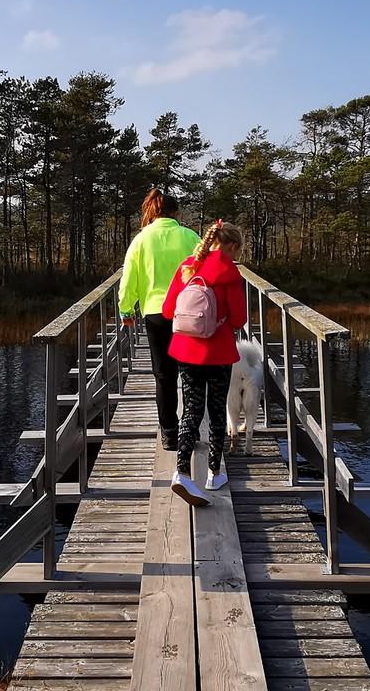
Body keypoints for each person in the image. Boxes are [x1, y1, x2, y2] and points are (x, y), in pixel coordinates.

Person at [161, 220, 247, 506]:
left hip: (187, 350)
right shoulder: (230, 272)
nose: (237, 256)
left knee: (191, 408)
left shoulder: (188, 266)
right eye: (238, 250)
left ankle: (182, 473)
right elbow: (238, 319)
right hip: (219, 351)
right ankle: (214, 473)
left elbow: (167, 309)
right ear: (231, 246)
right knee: (217, 408)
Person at [117, 188, 201, 450]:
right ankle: (191, 429)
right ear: (176, 213)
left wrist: (126, 309)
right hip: (189, 313)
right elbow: (206, 270)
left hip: (156, 313)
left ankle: (169, 432)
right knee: (191, 373)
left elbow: (129, 277)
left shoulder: (141, 240)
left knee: (163, 375)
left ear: (152, 212)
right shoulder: (190, 237)